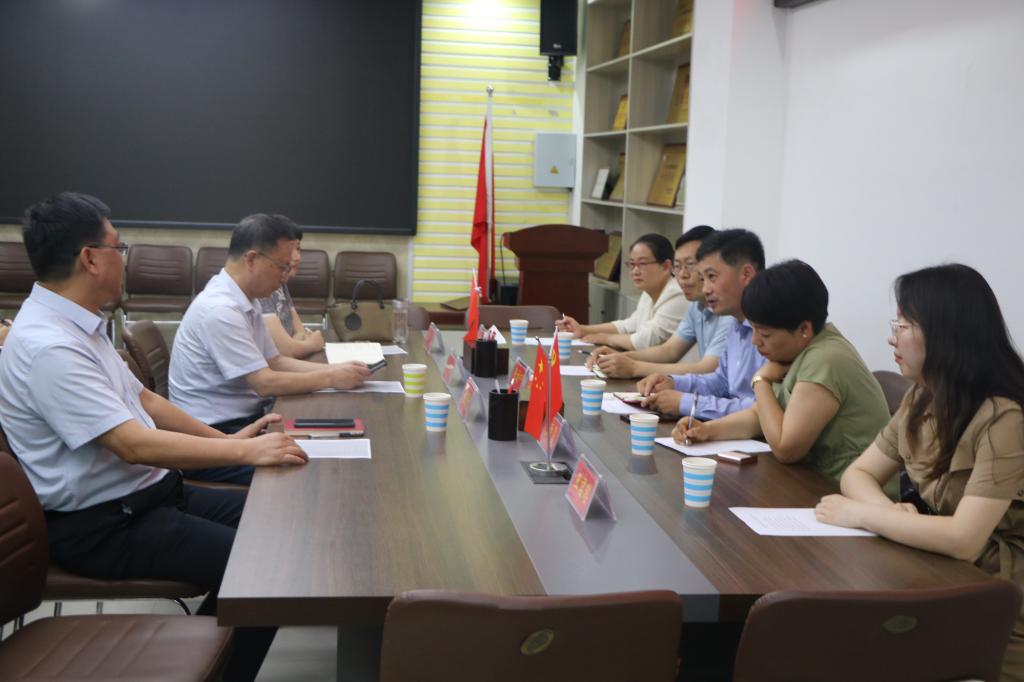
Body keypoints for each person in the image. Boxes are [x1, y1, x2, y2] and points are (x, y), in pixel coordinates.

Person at [0, 192, 304, 682]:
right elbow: (131, 444)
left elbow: (145, 400)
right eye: (119, 248)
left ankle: (212, 649)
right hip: (103, 524)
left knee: (281, 519)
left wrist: (227, 443)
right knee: (266, 570)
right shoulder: (49, 345)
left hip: (151, 495)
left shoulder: (78, 323)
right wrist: (243, 450)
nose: (124, 259)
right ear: (90, 259)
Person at [814, 264, 1024, 678]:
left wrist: (863, 514)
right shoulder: (923, 397)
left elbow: (964, 538)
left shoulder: (1004, 418)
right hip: (940, 573)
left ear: (947, 333)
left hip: (1001, 602)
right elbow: (858, 474)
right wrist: (889, 513)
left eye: (905, 325)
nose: (892, 337)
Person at [169, 213, 369, 483]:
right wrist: (330, 377)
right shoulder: (220, 309)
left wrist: (337, 370)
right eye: (282, 267)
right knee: (314, 472)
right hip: (215, 437)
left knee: (334, 449)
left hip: (245, 423)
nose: (285, 278)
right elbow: (264, 382)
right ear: (252, 258)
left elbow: (274, 361)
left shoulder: (245, 299)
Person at [673, 260, 890, 481]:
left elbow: (786, 449)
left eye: (765, 334)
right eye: (753, 329)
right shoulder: (799, 350)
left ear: (804, 329)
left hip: (847, 489)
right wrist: (707, 431)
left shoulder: (825, 359)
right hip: (818, 482)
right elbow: (761, 415)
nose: (755, 341)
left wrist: (761, 381)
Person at [638, 228, 767, 418]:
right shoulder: (736, 323)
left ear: (746, 274)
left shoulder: (774, 328)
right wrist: (673, 382)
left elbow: (760, 408)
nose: (705, 289)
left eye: (712, 277)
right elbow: (721, 382)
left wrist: (687, 403)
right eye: (703, 278)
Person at [587, 226, 731, 379]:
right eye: (678, 266)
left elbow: (708, 369)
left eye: (690, 265)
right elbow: (669, 350)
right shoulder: (697, 305)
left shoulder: (729, 312)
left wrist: (634, 367)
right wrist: (622, 357)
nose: (682, 275)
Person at [556, 233, 686, 350]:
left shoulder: (677, 294)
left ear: (666, 266)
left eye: (642, 264)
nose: (635, 271)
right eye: (632, 264)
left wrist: (604, 338)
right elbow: (629, 326)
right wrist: (583, 329)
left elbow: (645, 341)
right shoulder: (650, 291)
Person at [258, 236, 325, 359]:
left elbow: (299, 331)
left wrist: (294, 345)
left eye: (298, 249)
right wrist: (312, 344)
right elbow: (286, 351)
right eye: (289, 250)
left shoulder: (281, 281)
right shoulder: (260, 287)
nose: (297, 257)